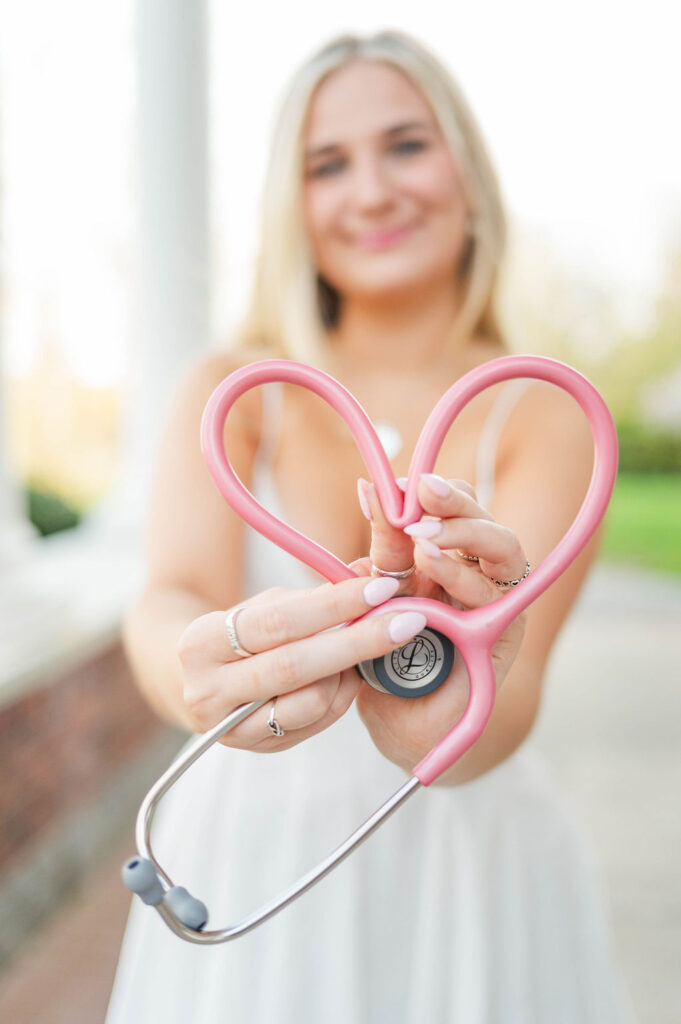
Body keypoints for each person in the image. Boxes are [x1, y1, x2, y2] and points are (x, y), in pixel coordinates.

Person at [106, 30, 635, 1024]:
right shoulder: (231, 394)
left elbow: (507, 700)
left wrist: (451, 720)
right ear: (290, 205)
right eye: (326, 164)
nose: (372, 191)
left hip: (471, 869)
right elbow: (170, 595)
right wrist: (197, 671)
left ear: (468, 175)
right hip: (251, 853)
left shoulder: (549, 410)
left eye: (406, 145)